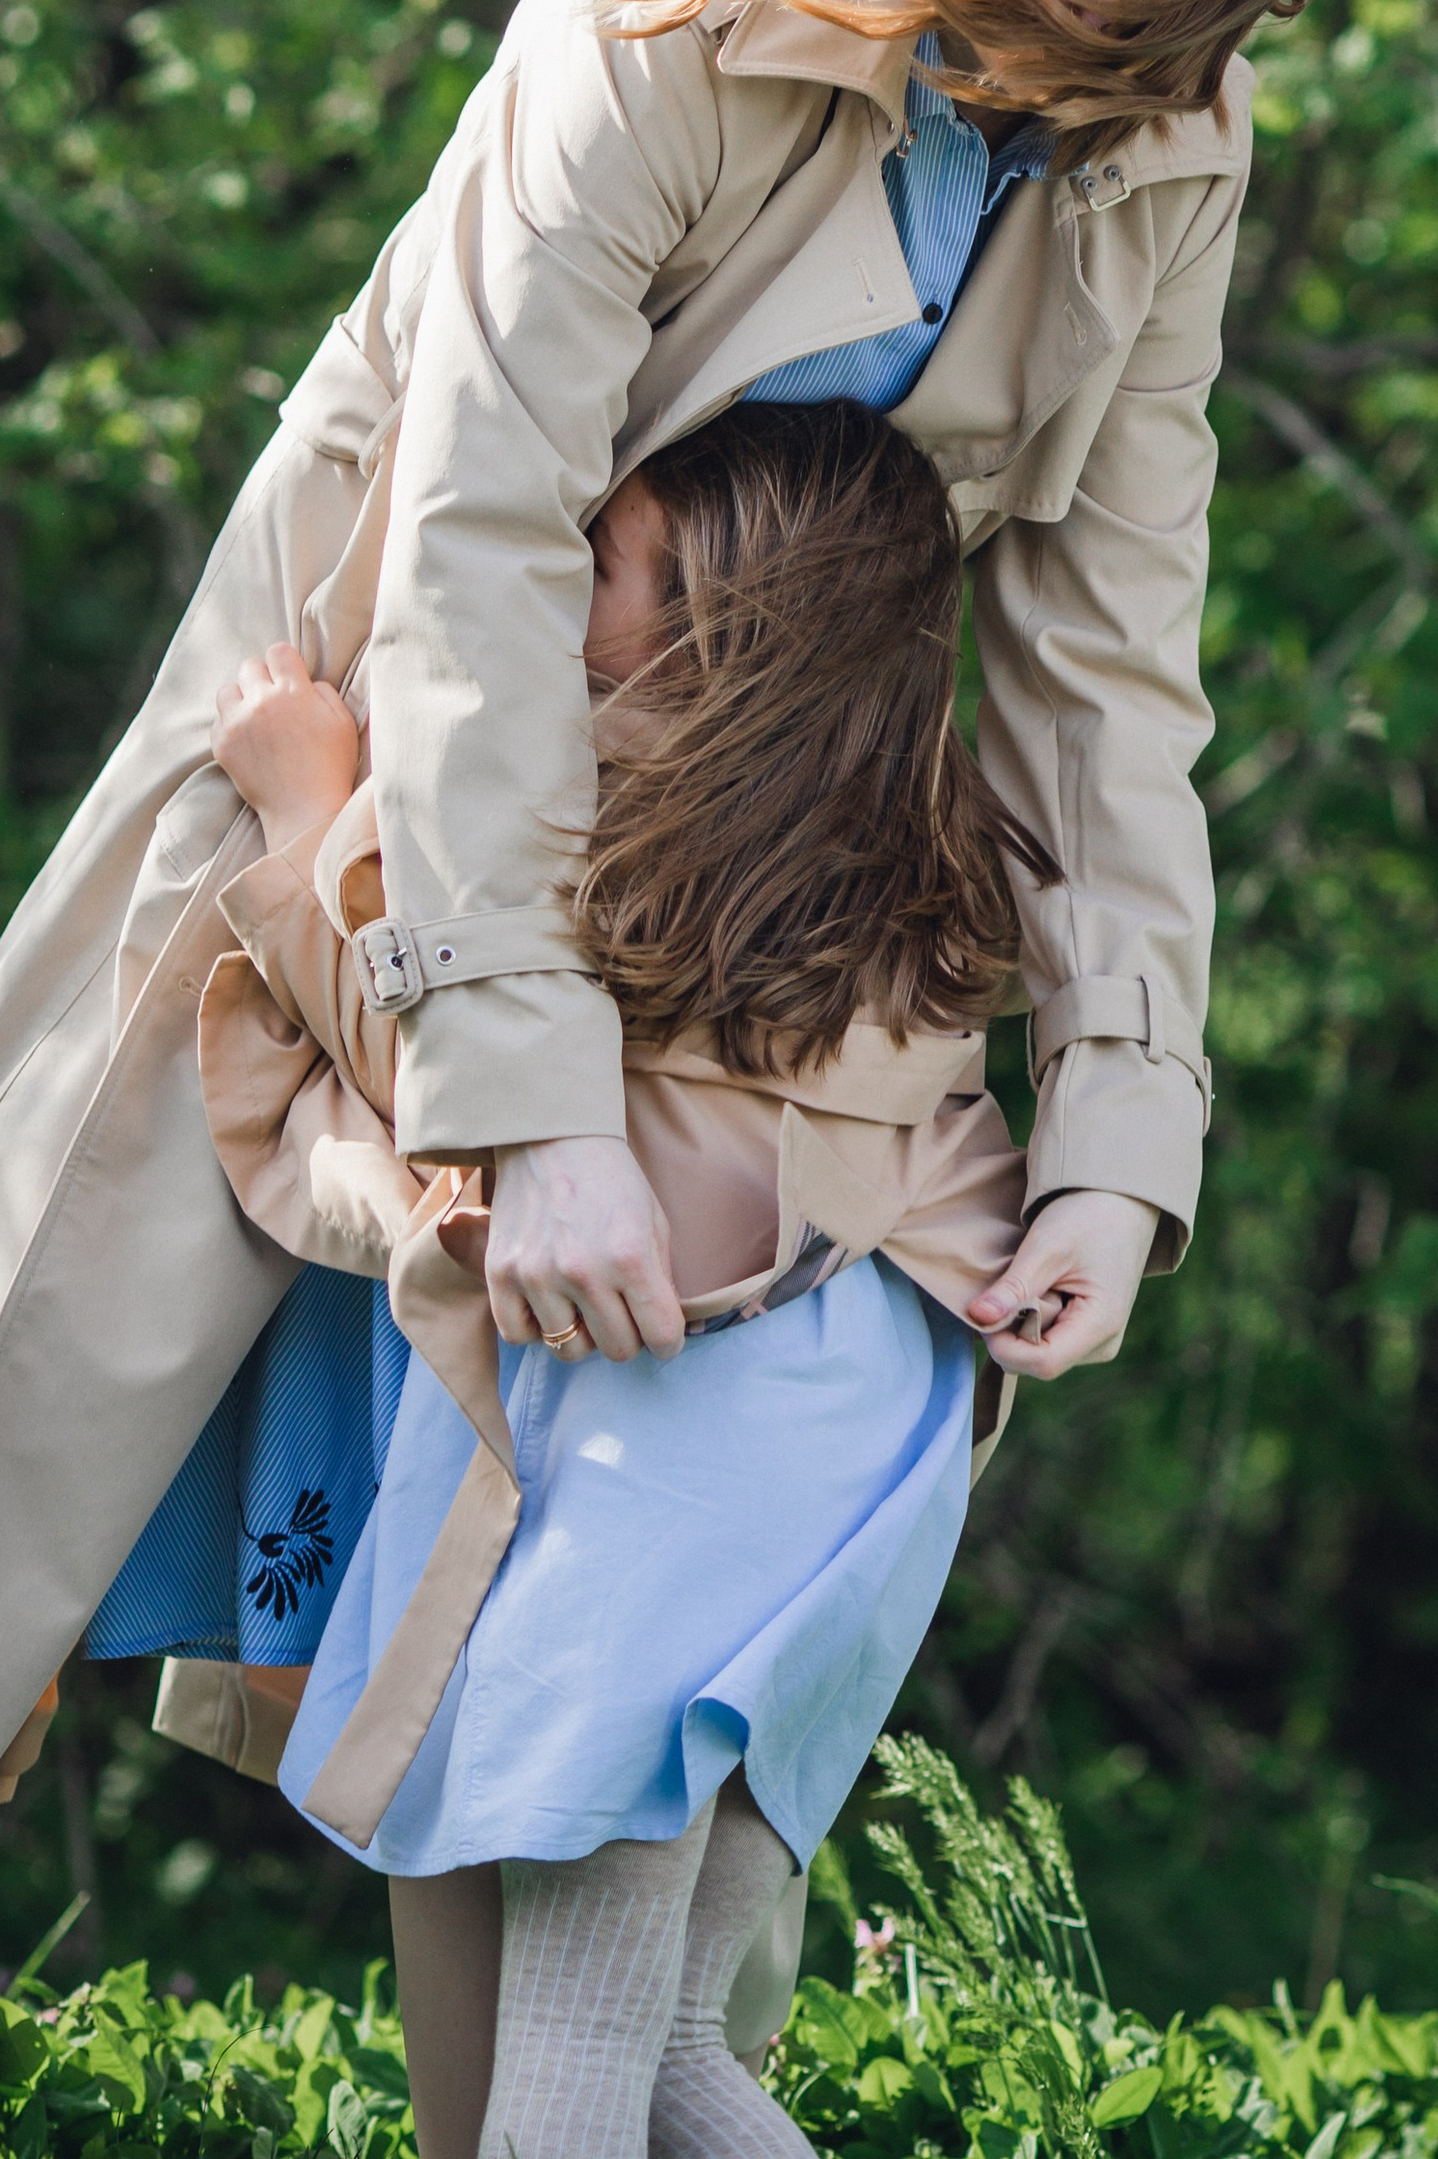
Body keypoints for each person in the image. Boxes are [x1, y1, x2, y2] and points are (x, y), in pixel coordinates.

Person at [0, 0, 1362, 2003]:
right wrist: (518, 1101)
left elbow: (1100, 648)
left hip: (765, 915)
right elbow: (479, 540)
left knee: (571, 1655)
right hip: (382, 796)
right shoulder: (656, 19)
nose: (1101, 22)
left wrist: (1122, 1124)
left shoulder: (1169, 131)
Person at [150, 401, 1049, 2159]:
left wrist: (308, 804)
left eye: (607, 559)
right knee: (657, 2061)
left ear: (716, 625)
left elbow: (453, 1090)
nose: (562, 595)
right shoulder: (869, 868)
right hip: (839, 1495)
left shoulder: (632, 841)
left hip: (668, 1508)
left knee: (563, 2089)